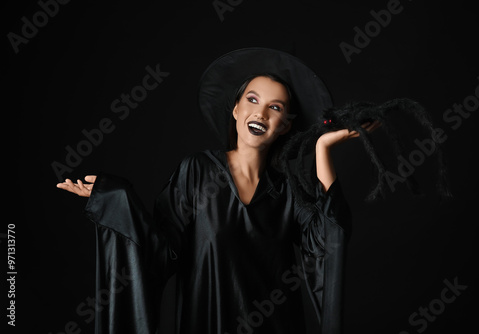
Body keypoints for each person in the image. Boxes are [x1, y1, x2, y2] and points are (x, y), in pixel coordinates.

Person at [57, 48, 379, 334]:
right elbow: (160, 251)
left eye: (275, 107)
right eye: (252, 100)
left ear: (284, 126)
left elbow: (329, 235)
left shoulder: (287, 190)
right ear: (236, 110)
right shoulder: (197, 171)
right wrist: (117, 200)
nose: (261, 113)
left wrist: (322, 147)